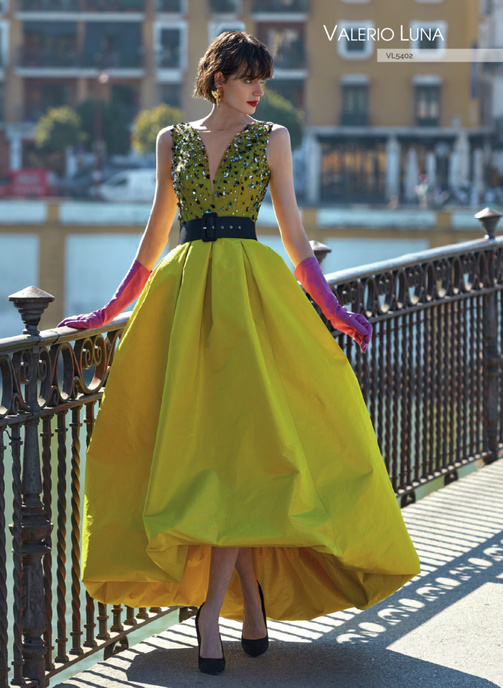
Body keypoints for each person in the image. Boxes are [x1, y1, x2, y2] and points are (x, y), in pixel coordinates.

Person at [59, 31, 420, 676]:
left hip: (253, 304)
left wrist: (335, 312)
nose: (258, 89)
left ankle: (214, 613)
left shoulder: (274, 138)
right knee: (223, 456)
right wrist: (106, 313)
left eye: (262, 78)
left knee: (246, 455)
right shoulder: (173, 140)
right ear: (218, 77)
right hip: (185, 302)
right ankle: (246, 607)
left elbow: (295, 237)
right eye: (249, 77)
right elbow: (153, 239)